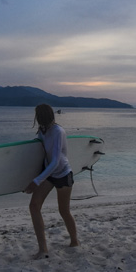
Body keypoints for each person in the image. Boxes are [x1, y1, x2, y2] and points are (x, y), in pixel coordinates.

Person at [23, 103, 79, 259]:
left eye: (38, 116)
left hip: (63, 174)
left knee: (64, 211)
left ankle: (75, 241)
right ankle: (43, 249)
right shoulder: (43, 131)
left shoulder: (58, 131)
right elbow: (38, 150)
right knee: (34, 206)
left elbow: (55, 161)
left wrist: (36, 181)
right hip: (49, 175)